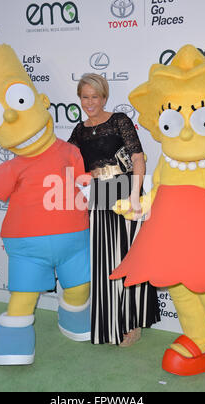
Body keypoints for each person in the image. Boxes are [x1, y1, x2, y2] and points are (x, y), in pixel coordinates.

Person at [68, 73, 160, 346]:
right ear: (80, 98)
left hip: (126, 191)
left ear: (104, 97)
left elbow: (137, 158)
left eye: (95, 96)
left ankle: (132, 322)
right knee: (105, 262)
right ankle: (110, 322)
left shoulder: (119, 120)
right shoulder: (79, 130)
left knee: (130, 258)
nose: (90, 102)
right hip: (99, 195)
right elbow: (69, 164)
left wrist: (135, 194)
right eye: (85, 97)